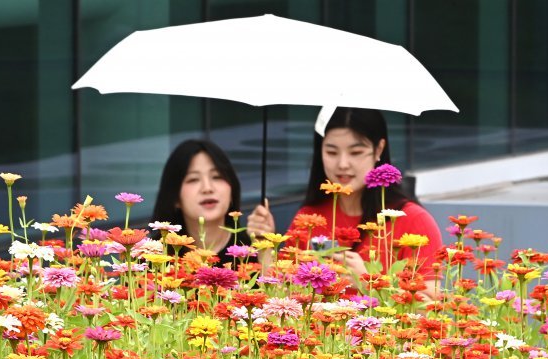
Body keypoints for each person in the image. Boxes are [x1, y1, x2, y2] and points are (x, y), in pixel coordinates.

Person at [246, 108, 444, 291]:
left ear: (379, 150)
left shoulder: (412, 220)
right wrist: (264, 246)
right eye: (331, 152)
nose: (342, 164)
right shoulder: (309, 217)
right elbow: (281, 294)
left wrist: (368, 281)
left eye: (356, 152)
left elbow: (431, 308)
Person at [151, 139, 250, 265]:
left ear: (232, 189)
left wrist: (266, 253)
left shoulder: (251, 252)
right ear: (175, 197)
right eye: (193, 179)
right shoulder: (153, 258)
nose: (207, 188)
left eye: (217, 176)